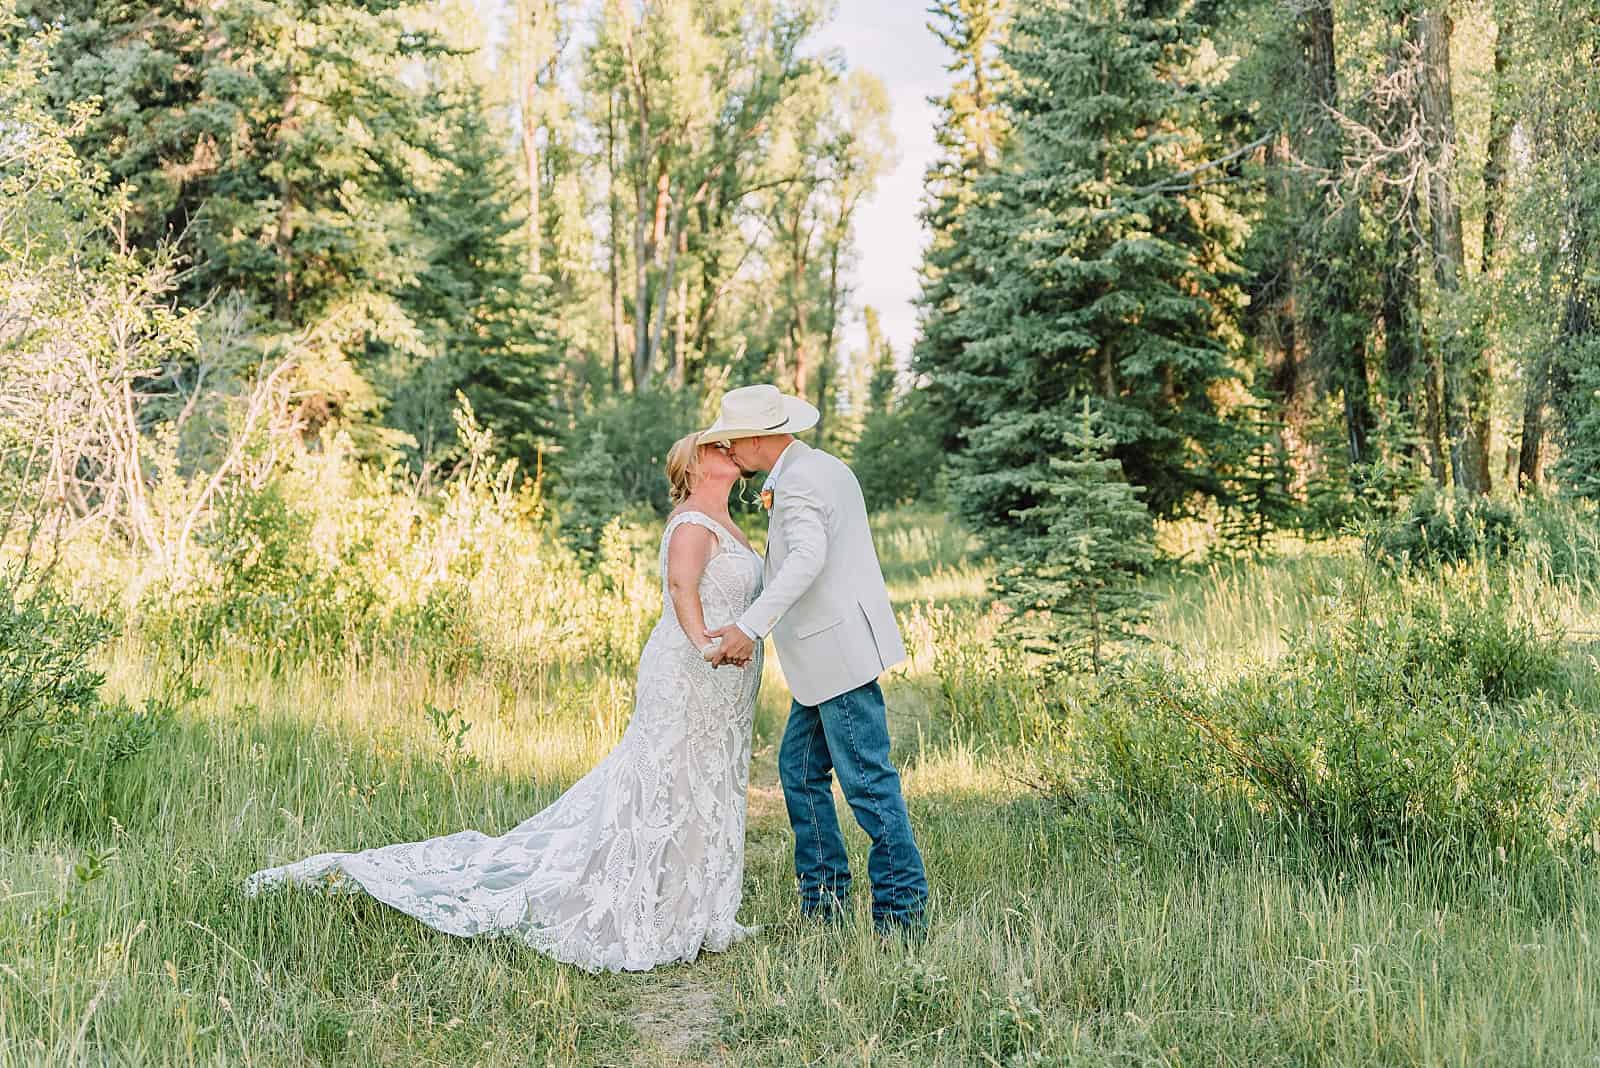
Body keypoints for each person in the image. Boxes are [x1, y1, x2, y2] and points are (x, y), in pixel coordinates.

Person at [242, 434, 765, 974]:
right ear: (693, 462)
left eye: (730, 445)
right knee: (664, 779)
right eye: (715, 445)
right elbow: (683, 589)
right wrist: (707, 645)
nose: (728, 448)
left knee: (703, 780)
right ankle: (646, 911)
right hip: (691, 670)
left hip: (724, 681)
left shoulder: (729, 523)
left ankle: (693, 907)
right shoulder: (692, 523)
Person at [701, 383, 929, 935]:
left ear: (757, 439)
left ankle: (901, 913)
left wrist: (749, 628)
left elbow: (806, 558)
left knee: (868, 783)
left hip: (838, 654)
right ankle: (823, 900)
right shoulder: (821, 466)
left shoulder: (799, 484)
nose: (730, 454)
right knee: (799, 771)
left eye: (733, 443)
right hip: (832, 655)